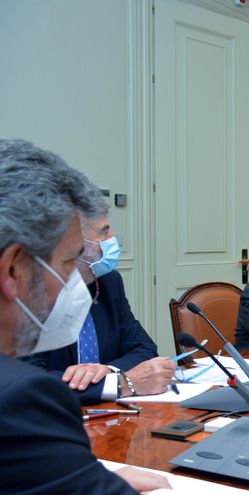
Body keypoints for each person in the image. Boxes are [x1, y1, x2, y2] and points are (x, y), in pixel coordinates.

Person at [0, 139, 169, 493]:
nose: (74, 281)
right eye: (68, 261)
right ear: (13, 271)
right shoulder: (19, 399)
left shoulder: (109, 284)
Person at [25, 209, 174, 404]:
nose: (112, 239)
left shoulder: (108, 282)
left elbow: (144, 347)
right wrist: (121, 384)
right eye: (104, 232)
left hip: (110, 418)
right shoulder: (27, 293)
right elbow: (28, 381)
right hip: (47, 420)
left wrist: (108, 371)